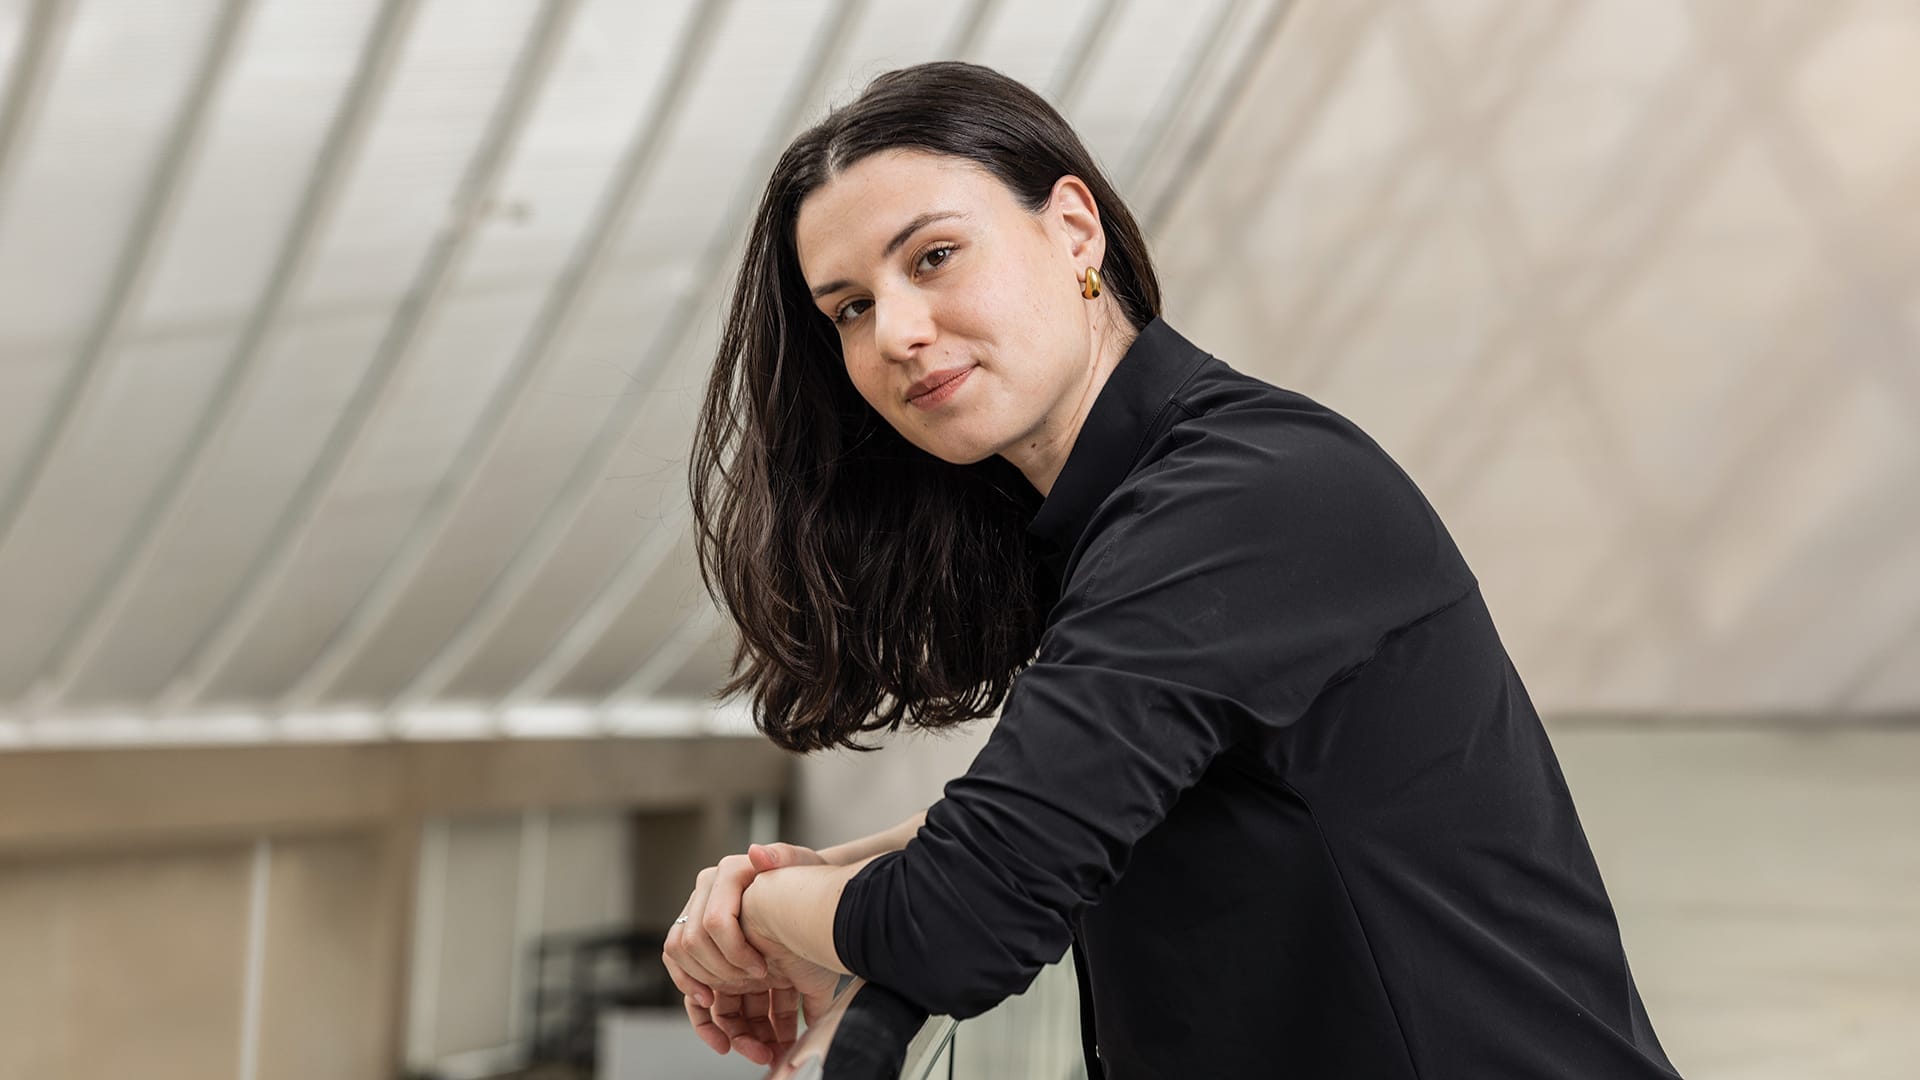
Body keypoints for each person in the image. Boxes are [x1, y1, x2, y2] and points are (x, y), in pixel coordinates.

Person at [664, 60, 1683, 1079]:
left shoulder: (1240, 501)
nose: (897, 331)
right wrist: (839, 873)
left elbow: (963, 920)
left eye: (932, 257)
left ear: (1074, 230)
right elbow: (1098, 807)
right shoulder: (1118, 515)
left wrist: (758, 911)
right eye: (848, 308)